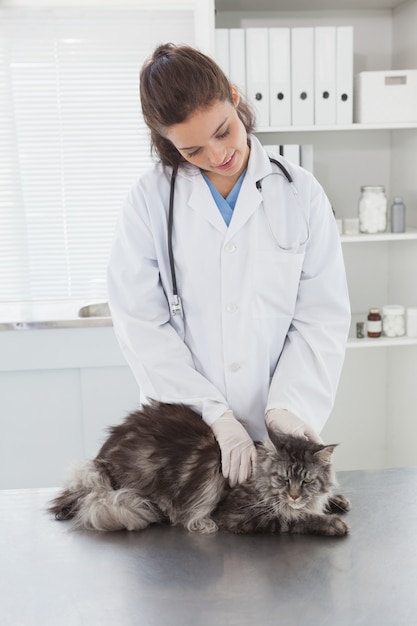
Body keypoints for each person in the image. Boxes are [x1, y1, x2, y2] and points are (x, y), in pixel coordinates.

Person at [107, 43, 351, 488]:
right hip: (184, 440)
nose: (218, 154)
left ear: (234, 97)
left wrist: (288, 408)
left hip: (276, 442)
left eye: (223, 131)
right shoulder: (149, 201)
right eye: (193, 150)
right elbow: (140, 324)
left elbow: (320, 316)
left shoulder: (301, 192)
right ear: (169, 143)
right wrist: (213, 413)